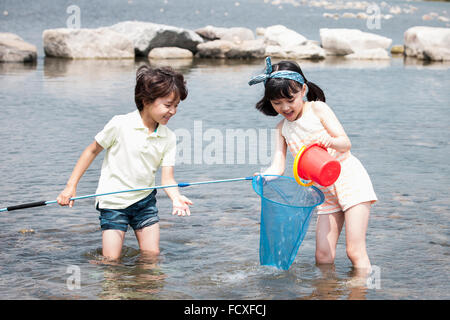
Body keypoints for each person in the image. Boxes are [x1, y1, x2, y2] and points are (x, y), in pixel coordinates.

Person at [249, 57, 377, 273]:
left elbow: (345, 143)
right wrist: (263, 176)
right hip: (324, 191)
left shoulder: (317, 109)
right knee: (323, 256)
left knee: (354, 251)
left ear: (303, 90)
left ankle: (360, 293)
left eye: (290, 99)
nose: (285, 107)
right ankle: (327, 293)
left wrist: (331, 141)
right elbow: (277, 167)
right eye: (277, 103)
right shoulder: (281, 129)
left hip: (349, 179)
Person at [57, 65, 193, 260]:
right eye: (168, 105)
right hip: (113, 203)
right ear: (146, 101)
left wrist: (176, 197)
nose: (173, 111)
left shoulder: (168, 137)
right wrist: (70, 187)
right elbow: (91, 151)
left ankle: (143, 289)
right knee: (111, 261)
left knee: (152, 256)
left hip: (144, 202)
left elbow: (167, 179)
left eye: (176, 105)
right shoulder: (120, 124)